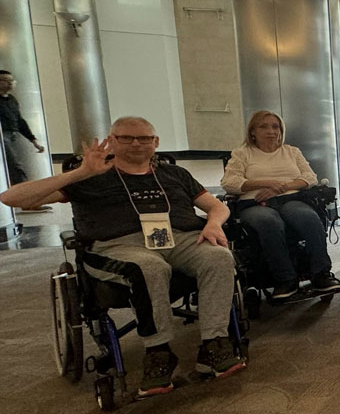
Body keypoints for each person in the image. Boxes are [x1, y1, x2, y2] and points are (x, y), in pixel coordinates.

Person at [0, 116, 245, 395]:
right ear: (112, 141)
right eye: (126, 138)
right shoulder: (90, 178)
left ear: (156, 143)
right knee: (150, 268)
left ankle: (214, 344)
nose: (136, 143)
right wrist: (78, 173)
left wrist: (213, 224)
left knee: (219, 257)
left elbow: (217, 207)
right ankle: (159, 350)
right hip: (119, 245)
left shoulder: (174, 175)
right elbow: (11, 198)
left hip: (180, 238)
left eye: (144, 138)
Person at [220, 110, 340, 303]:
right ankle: (285, 279)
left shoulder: (292, 151)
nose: (271, 131)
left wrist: (281, 187)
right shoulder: (242, 154)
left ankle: (321, 274)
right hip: (255, 202)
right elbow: (230, 182)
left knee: (309, 218)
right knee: (269, 222)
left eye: (275, 126)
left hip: (290, 199)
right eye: (263, 126)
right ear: (253, 132)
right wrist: (265, 184)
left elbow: (309, 177)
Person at [0, 69, 47, 192]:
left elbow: (20, 121)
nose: (9, 84)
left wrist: (33, 140)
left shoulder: (11, 99)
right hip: (2, 136)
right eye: (5, 81)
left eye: (11, 81)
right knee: (15, 166)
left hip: (12, 135)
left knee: (13, 165)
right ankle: (27, 197)